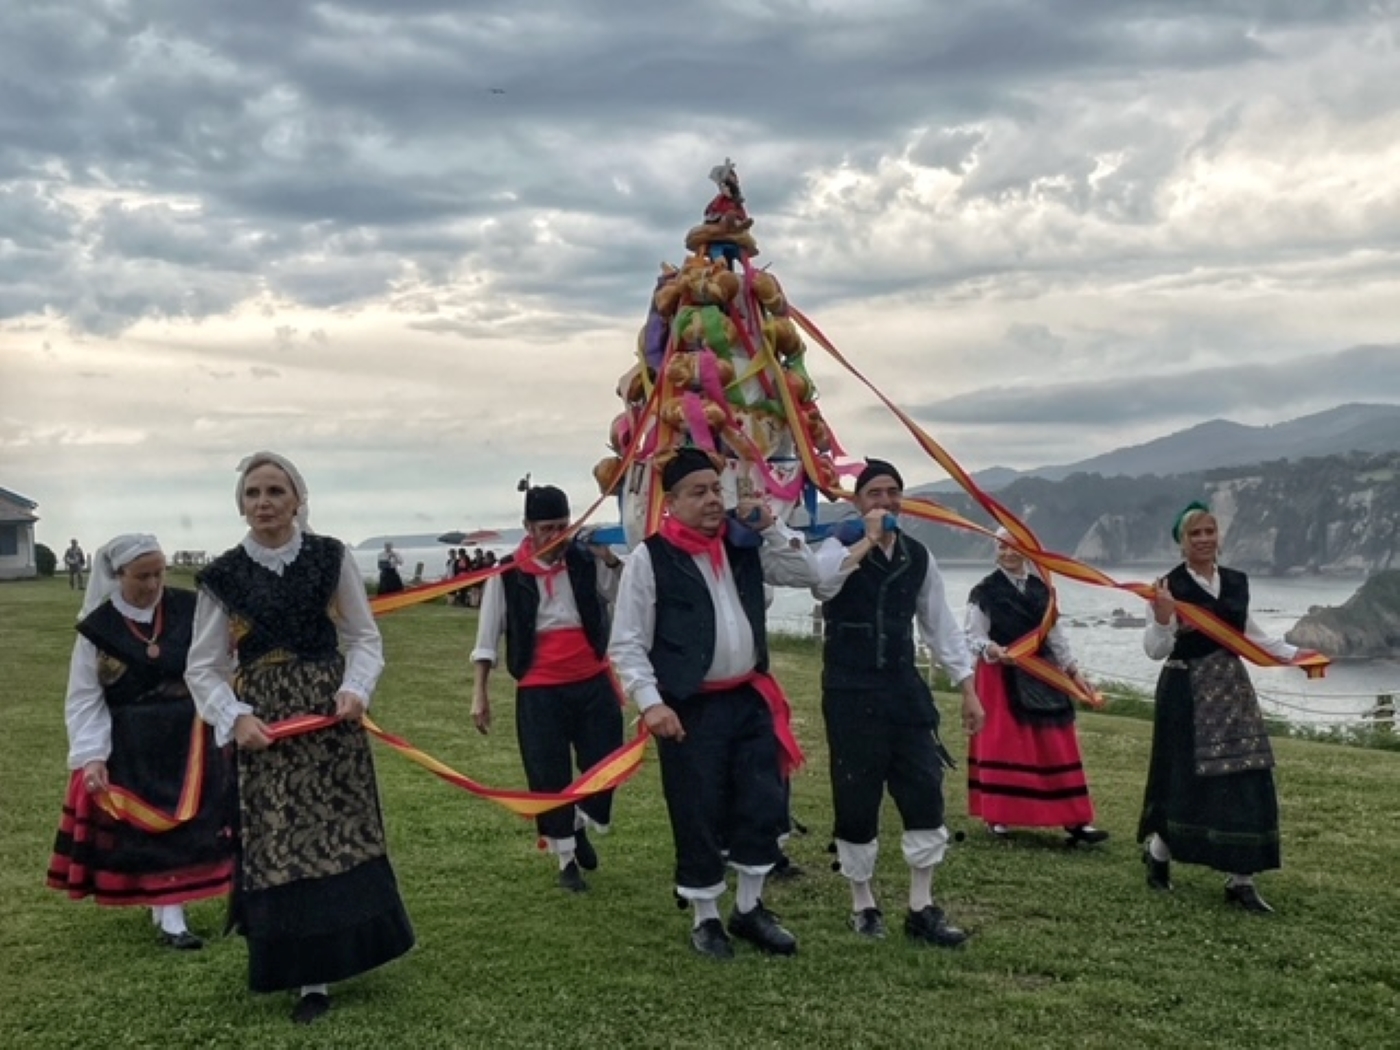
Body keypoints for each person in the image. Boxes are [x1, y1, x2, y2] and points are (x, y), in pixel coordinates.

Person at [185, 451, 414, 1024]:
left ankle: (341, 957)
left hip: (328, 718)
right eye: (253, 493)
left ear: (297, 500)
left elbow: (363, 637)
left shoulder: (329, 557)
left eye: (275, 492)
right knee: (280, 839)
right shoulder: (222, 576)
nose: (263, 503)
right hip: (266, 726)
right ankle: (305, 974)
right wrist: (235, 717)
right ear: (240, 504)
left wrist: (357, 689)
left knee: (339, 829)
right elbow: (203, 666)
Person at [609, 448, 819, 959]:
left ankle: (749, 909)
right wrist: (651, 702)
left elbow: (807, 572)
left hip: (749, 696)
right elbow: (627, 641)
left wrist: (769, 526)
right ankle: (706, 918)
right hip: (689, 706)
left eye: (715, 489)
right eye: (697, 492)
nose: (711, 500)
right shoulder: (650, 558)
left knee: (761, 802)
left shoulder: (743, 544)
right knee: (697, 808)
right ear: (672, 502)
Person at [811, 459, 984, 947]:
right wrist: (864, 541)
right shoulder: (835, 546)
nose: (885, 502)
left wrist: (968, 688)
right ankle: (862, 905)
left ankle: (921, 907)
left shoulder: (918, 556)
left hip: (904, 690)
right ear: (857, 501)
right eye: (875, 493)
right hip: (849, 691)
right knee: (857, 792)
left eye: (893, 493)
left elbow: (940, 626)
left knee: (924, 788)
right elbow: (822, 585)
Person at [47, 534, 233, 948]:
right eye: (142, 576)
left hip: (191, 734)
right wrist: (92, 754)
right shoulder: (99, 629)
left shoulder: (190, 608)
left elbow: (220, 664)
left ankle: (177, 908)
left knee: (197, 822)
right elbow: (85, 695)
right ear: (117, 576)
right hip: (133, 741)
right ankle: (169, 914)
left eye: (159, 573)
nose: (153, 584)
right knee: (152, 826)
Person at [1138, 501, 1315, 914]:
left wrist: (1298, 656)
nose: (1203, 540)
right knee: (1185, 774)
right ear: (1181, 544)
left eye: (1209, 531)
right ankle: (1159, 852)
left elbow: (1253, 637)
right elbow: (1154, 649)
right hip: (1184, 688)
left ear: (1219, 537)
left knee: (1245, 774)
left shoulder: (1236, 583)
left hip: (1230, 689)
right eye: (1194, 534)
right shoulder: (1167, 587)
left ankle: (1242, 879)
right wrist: (1164, 619)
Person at [470, 485, 625, 893]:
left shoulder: (586, 560)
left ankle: (580, 821)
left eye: (563, 526)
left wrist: (608, 557)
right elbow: (487, 638)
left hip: (592, 678)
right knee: (548, 773)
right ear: (528, 528)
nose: (557, 536)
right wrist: (480, 693)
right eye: (547, 528)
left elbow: (624, 597)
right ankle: (565, 858)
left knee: (606, 762)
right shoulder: (506, 574)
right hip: (540, 687)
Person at [964, 529, 1108, 845]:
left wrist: (1073, 671)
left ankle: (1075, 819)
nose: (1008, 552)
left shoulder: (1042, 591)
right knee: (1006, 741)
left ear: (1028, 550)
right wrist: (994, 651)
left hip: (1043, 670)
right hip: (1001, 675)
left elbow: (1054, 636)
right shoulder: (985, 591)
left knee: (1057, 741)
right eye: (1001, 546)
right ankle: (999, 815)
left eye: (1014, 546)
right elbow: (973, 635)